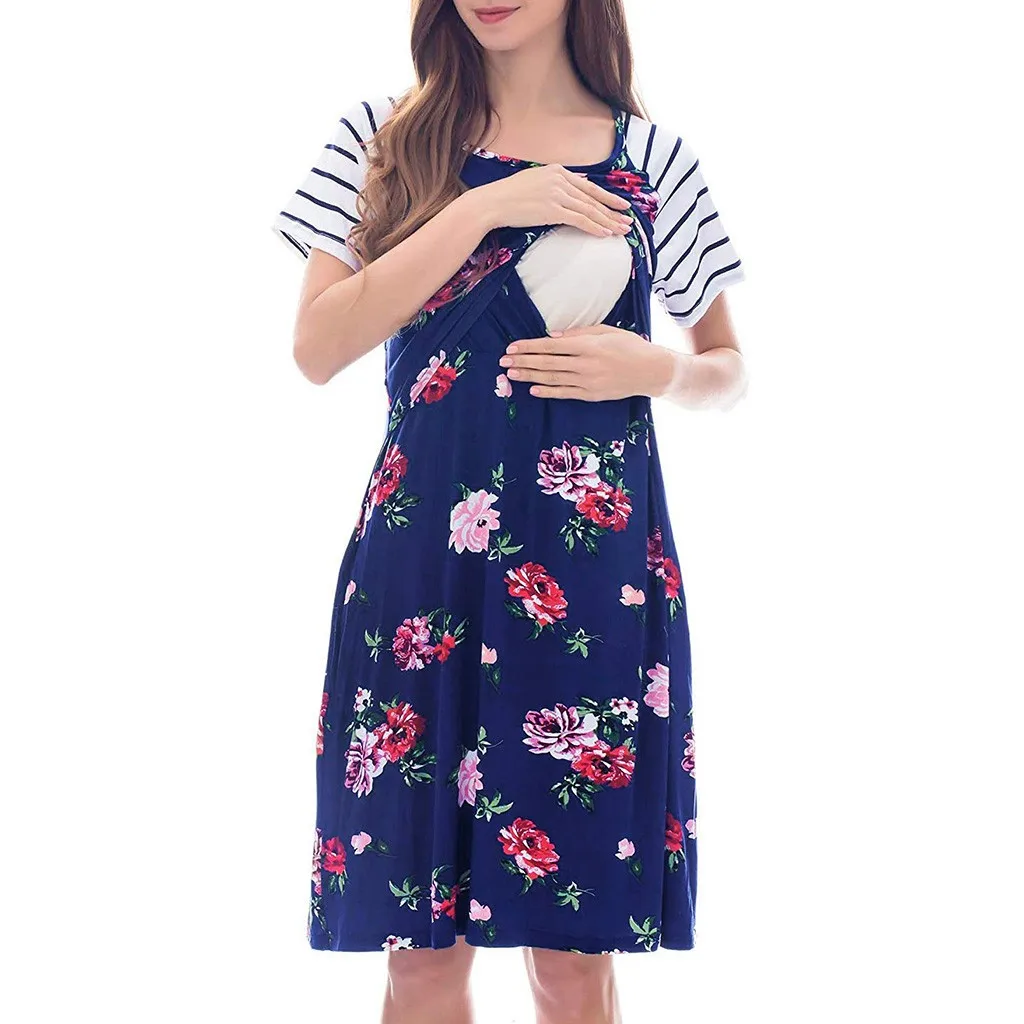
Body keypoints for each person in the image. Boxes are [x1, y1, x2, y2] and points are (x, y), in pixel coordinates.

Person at [270, 2, 748, 1021]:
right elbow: (316, 348)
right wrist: (484, 207)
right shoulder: (381, 138)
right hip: (420, 570)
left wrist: (656, 368)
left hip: (588, 578)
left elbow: (727, 366)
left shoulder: (652, 159)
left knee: (572, 954)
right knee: (419, 951)